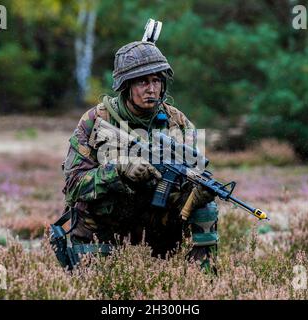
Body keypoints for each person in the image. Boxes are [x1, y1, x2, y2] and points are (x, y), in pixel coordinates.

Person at [61, 41, 219, 271]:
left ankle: (203, 285)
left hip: (159, 222)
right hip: (108, 223)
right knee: (85, 212)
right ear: (125, 85)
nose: (151, 89)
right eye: (142, 81)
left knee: (206, 208)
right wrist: (118, 171)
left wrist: (198, 193)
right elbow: (74, 185)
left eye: (156, 81)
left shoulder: (179, 123)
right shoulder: (96, 121)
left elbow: (190, 177)